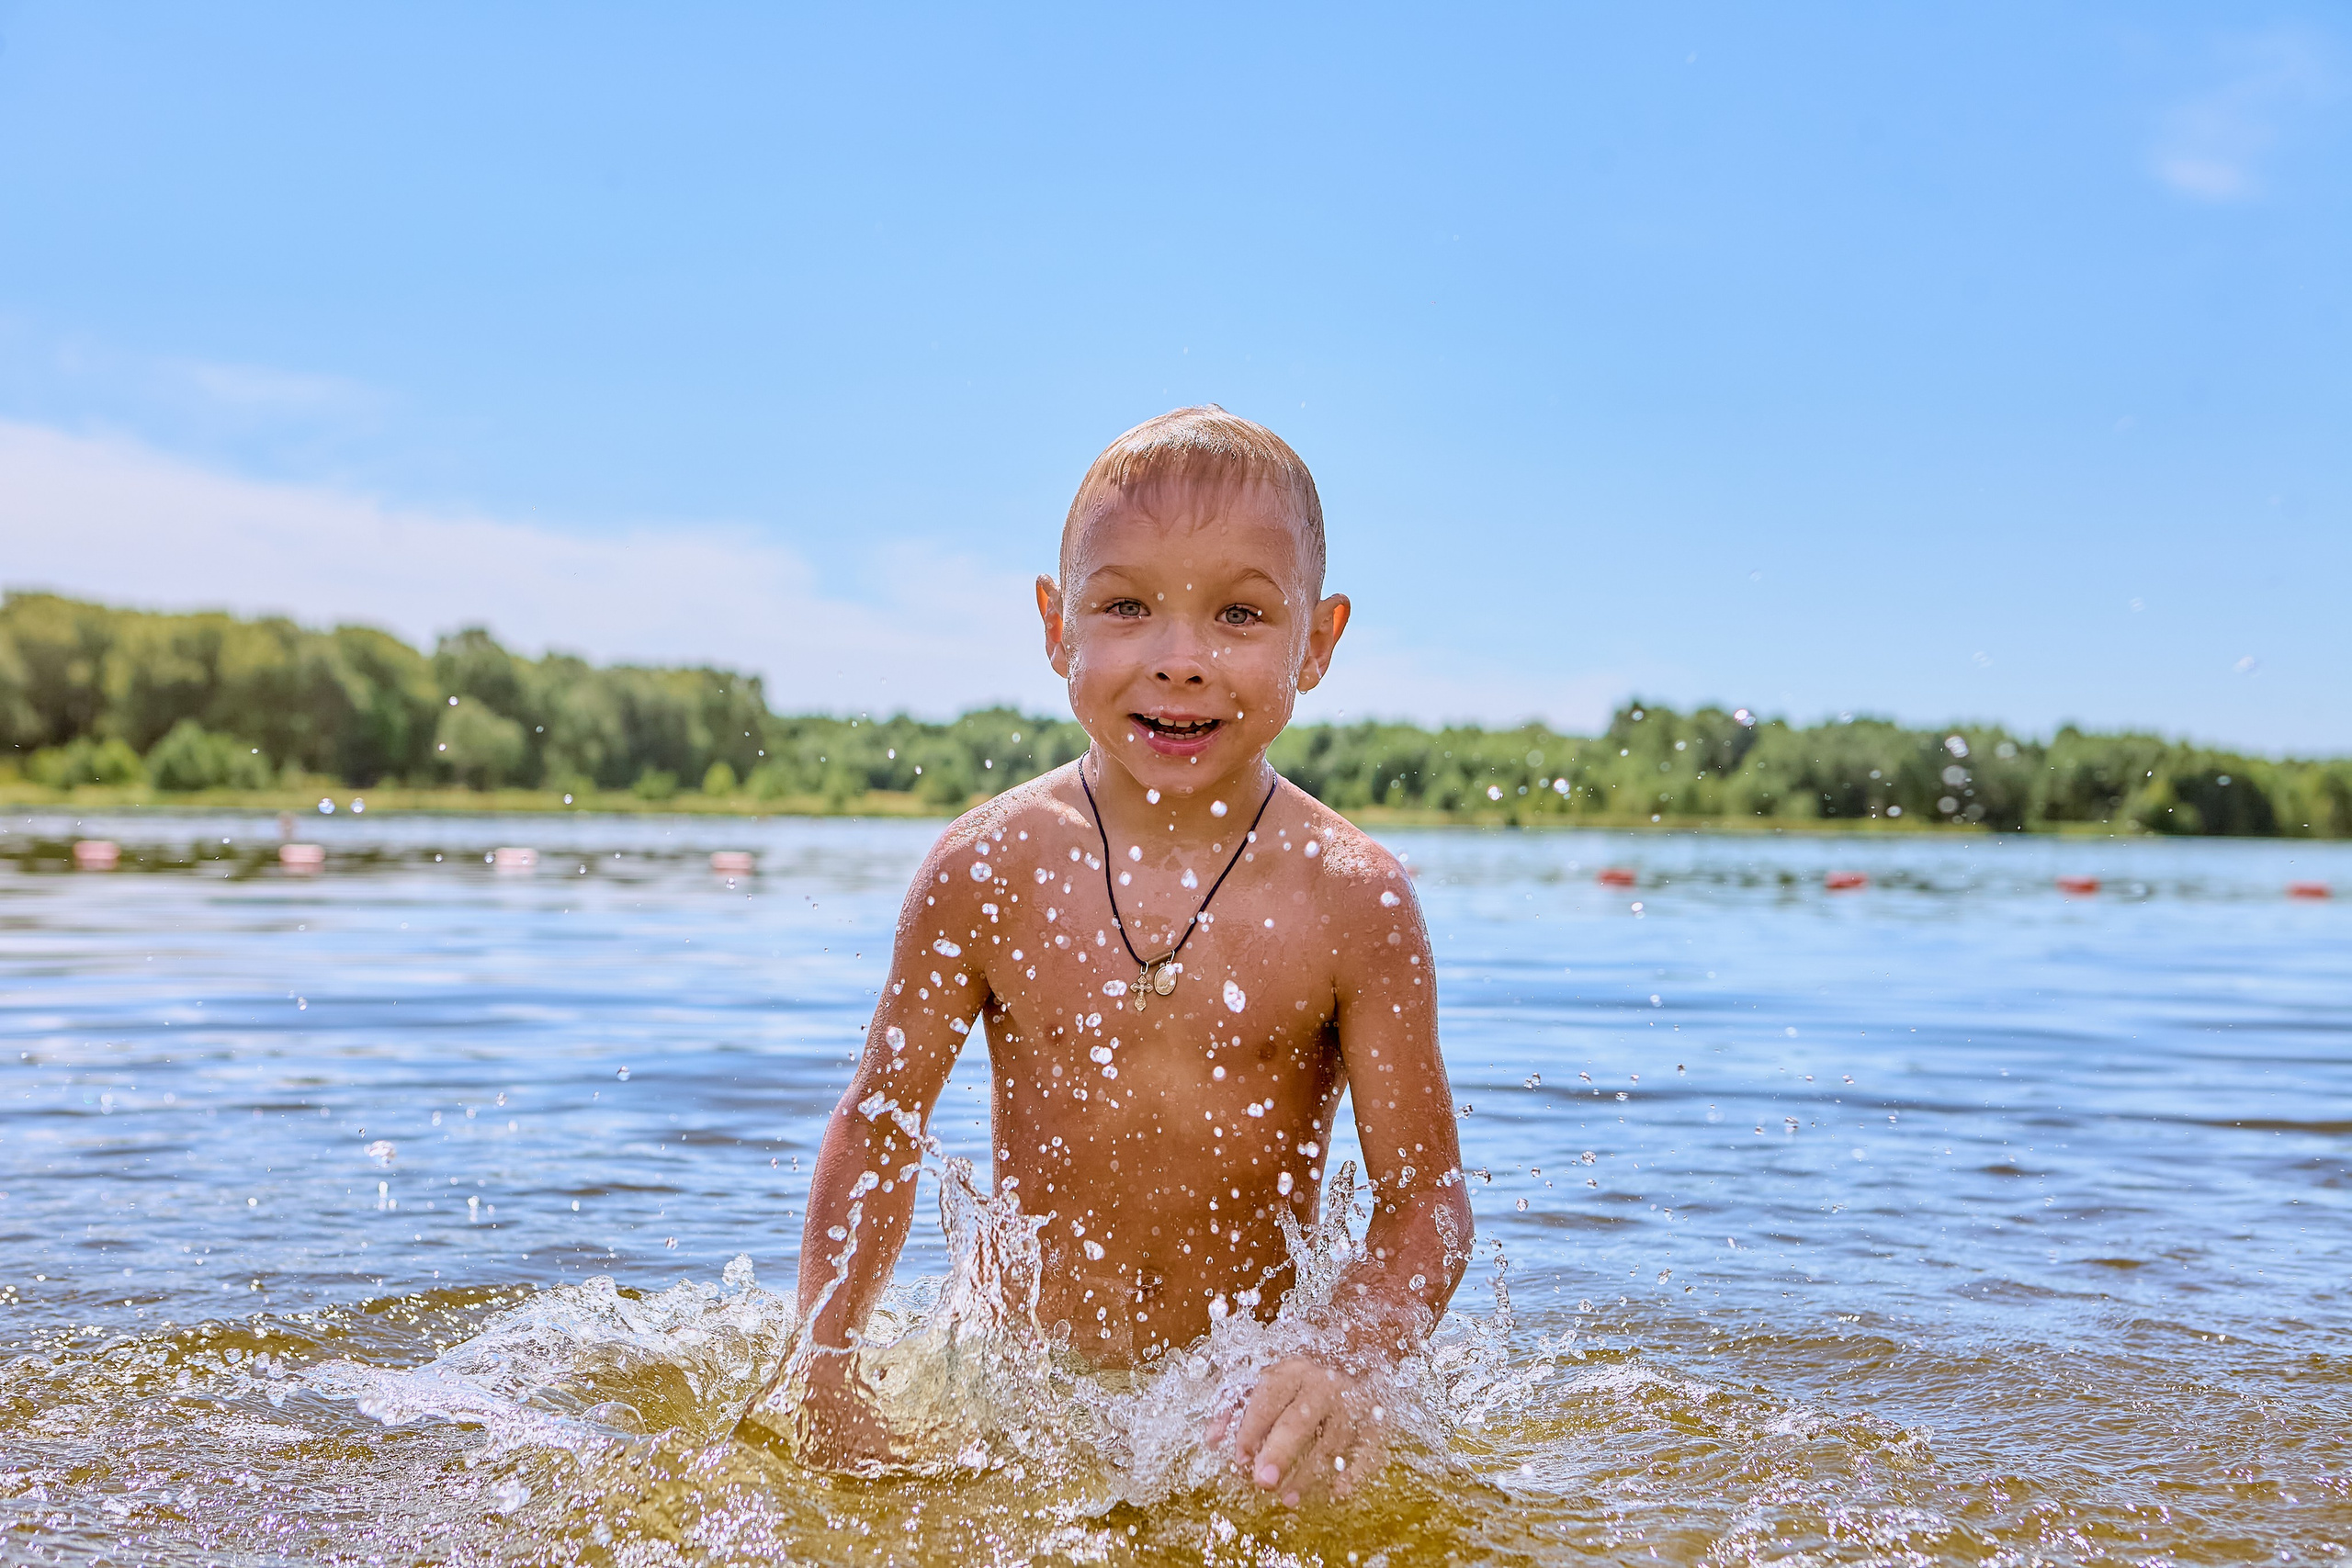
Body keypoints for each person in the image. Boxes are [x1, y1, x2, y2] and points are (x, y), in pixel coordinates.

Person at [739, 406, 1470, 1506]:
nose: (1179, 661)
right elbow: (882, 1120)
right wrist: (827, 1365)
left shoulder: (1352, 898)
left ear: (1316, 641)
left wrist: (1344, 1354)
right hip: (1018, 1389)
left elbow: (1427, 1204)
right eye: (1126, 606)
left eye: (1238, 613)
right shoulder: (984, 868)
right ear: (1054, 624)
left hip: (1233, 1402)